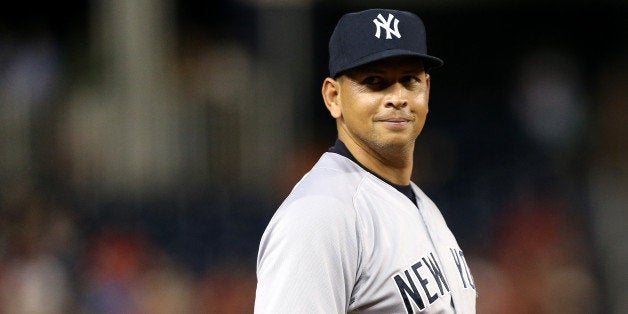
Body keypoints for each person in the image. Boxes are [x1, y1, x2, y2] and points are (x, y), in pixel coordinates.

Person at [255, 8, 477, 313]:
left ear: (426, 89)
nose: (397, 97)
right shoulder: (320, 214)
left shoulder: (421, 204)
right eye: (375, 81)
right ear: (334, 97)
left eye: (409, 80)